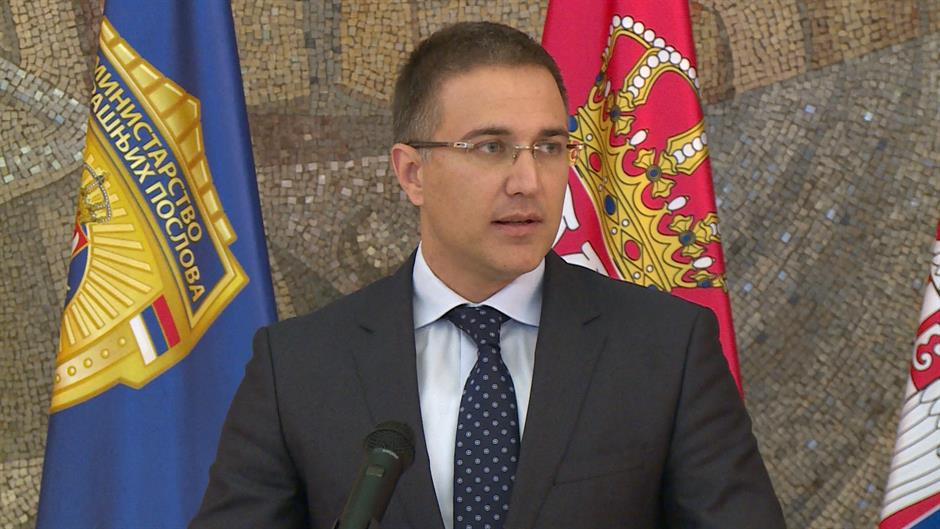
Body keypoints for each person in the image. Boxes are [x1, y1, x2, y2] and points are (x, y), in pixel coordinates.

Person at [190, 21, 785, 529]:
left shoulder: (667, 348)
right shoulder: (297, 367)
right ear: (412, 173)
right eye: (491, 147)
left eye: (549, 147)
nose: (528, 182)